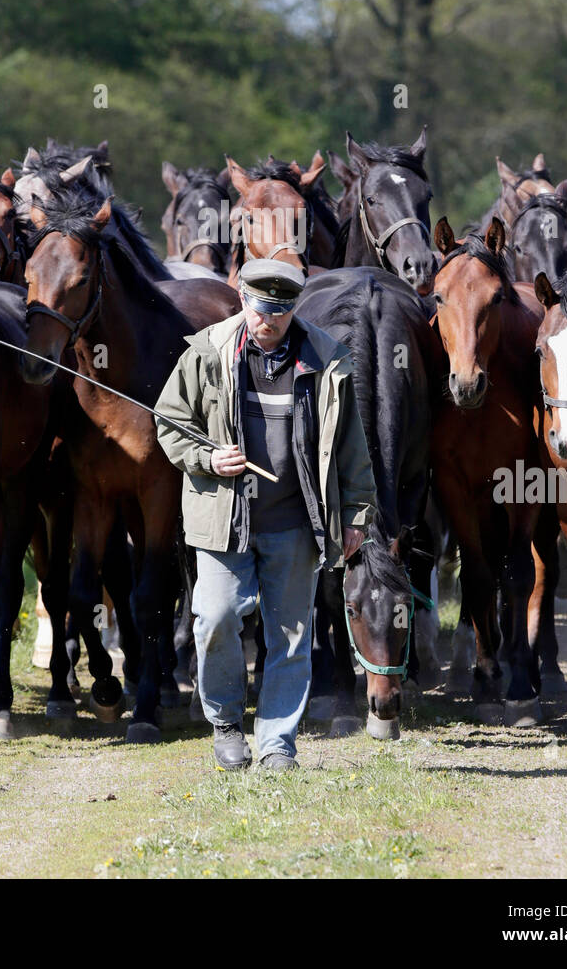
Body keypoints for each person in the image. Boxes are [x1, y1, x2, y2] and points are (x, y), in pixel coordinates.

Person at [154, 257, 376, 771]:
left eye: (280, 310)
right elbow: (171, 423)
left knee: (291, 636)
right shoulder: (206, 351)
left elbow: (351, 450)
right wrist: (207, 457)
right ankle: (227, 723)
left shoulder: (325, 359)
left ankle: (277, 743)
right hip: (221, 520)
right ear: (242, 299)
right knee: (215, 616)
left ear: (293, 308)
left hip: (295, 523)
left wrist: (356, 517)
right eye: (260, 308)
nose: (268, 320)